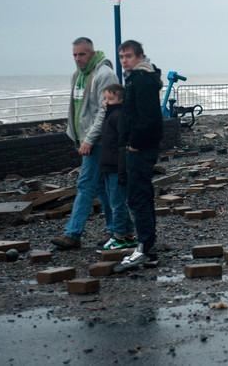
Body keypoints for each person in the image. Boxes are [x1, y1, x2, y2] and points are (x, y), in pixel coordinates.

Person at [52, 37, 118, 250]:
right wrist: (74, 134)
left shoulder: (104, 75)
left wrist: (89, 139)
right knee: (101, 187)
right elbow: (76, 107)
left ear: (92, 52)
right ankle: (115, 228)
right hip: (84, 140)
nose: (78, 59)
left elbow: (104, 110)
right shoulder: (77, 76)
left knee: (85, 184)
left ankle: (73, 234)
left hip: (99, 141)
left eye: (82, 54)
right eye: (74, 55)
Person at [114, 40, 164, 272]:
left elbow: (149, 117)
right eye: (122, 56)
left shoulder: (142, 79)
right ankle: (147, 246)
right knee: (139, 195)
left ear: (140, 56)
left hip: (141, 148)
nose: (124, 60)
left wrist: (134, 143)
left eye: (128, 56)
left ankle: (145, 248)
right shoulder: (137, 78)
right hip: (138, 146)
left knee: (138, 197)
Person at [99, 83, 136, 250]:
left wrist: (123, 169)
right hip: (108, 165)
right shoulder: (110, 116)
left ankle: (119, 235)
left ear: (120, 99)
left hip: (116, 167)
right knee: (116, 201)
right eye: (105, 98)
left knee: (117, 203)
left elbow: (122, 145)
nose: (106, 102)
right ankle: (128, 234)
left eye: (110, 98)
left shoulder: (119, 116)